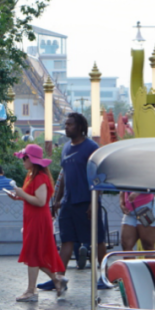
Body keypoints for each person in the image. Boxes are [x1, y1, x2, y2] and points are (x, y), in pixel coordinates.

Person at [46, 112, 110, 289]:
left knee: (97, 241)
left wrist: (93, 202)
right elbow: (64, 176)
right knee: (66, 241)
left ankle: (105, 277)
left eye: (70, 124)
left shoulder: (91, 148)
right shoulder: (66, 148)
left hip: (87, 201)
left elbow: (100, 177)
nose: (66, 127)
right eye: (65, 124)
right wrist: (57, 200)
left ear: (80, 127)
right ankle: (58, 279)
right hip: (68, 203)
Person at [9, 144, 66, 302]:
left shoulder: (40, 177)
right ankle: (56, 280)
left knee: (33, 253)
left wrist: (22, 195)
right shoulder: (32, 175)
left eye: (25, 158)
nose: (23, 161)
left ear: (31, 159)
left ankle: (31, 290)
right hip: (33, 219)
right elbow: (32, 197)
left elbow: (41, 201)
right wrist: (19, 196)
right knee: (35, 254)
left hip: (38, 220)